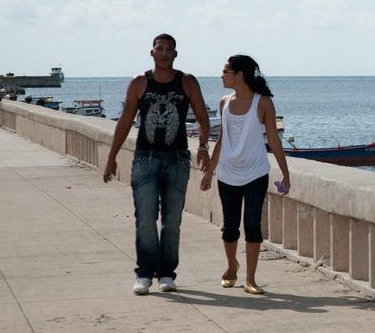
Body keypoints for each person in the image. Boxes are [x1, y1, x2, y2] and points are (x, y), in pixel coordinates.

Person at [104, 34, 212, 295]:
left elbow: (202, 116)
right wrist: (111, 158)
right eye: (159, 49)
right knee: (145, 219)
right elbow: (126, 119)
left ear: (176, 54)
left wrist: (203, 147)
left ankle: (166, 273)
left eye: (169, 50)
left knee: (172, 221)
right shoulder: (140, 82)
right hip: (145, 159)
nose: (164, 53)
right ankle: (144, 274)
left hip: (177, 160)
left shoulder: (187, 82)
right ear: (151, 53)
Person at [200, 54, 289, 294]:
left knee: (252, 224)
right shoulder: (224, 102)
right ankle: (232, 267)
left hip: (256, 173)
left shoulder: (263, 103)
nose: (222, 75)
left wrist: (285, 173)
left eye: (225, 71)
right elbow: (222, 138)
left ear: (239, 74)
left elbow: (273, 139)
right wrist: (210, 171)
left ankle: (250, 279)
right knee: (230, 227)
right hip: (228, 173)